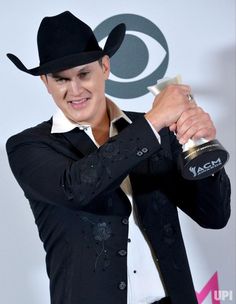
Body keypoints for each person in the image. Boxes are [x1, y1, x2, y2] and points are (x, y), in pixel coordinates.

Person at [6, 11, 231, 304]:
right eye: (61, 80)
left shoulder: (157, 132)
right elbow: (77, 188)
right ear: (46, 83)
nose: (74, 91)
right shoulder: (29, 146)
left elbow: (214, 215)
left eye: (84, 74)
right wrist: (153, 121)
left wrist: (202, 146)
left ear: (105, 67)